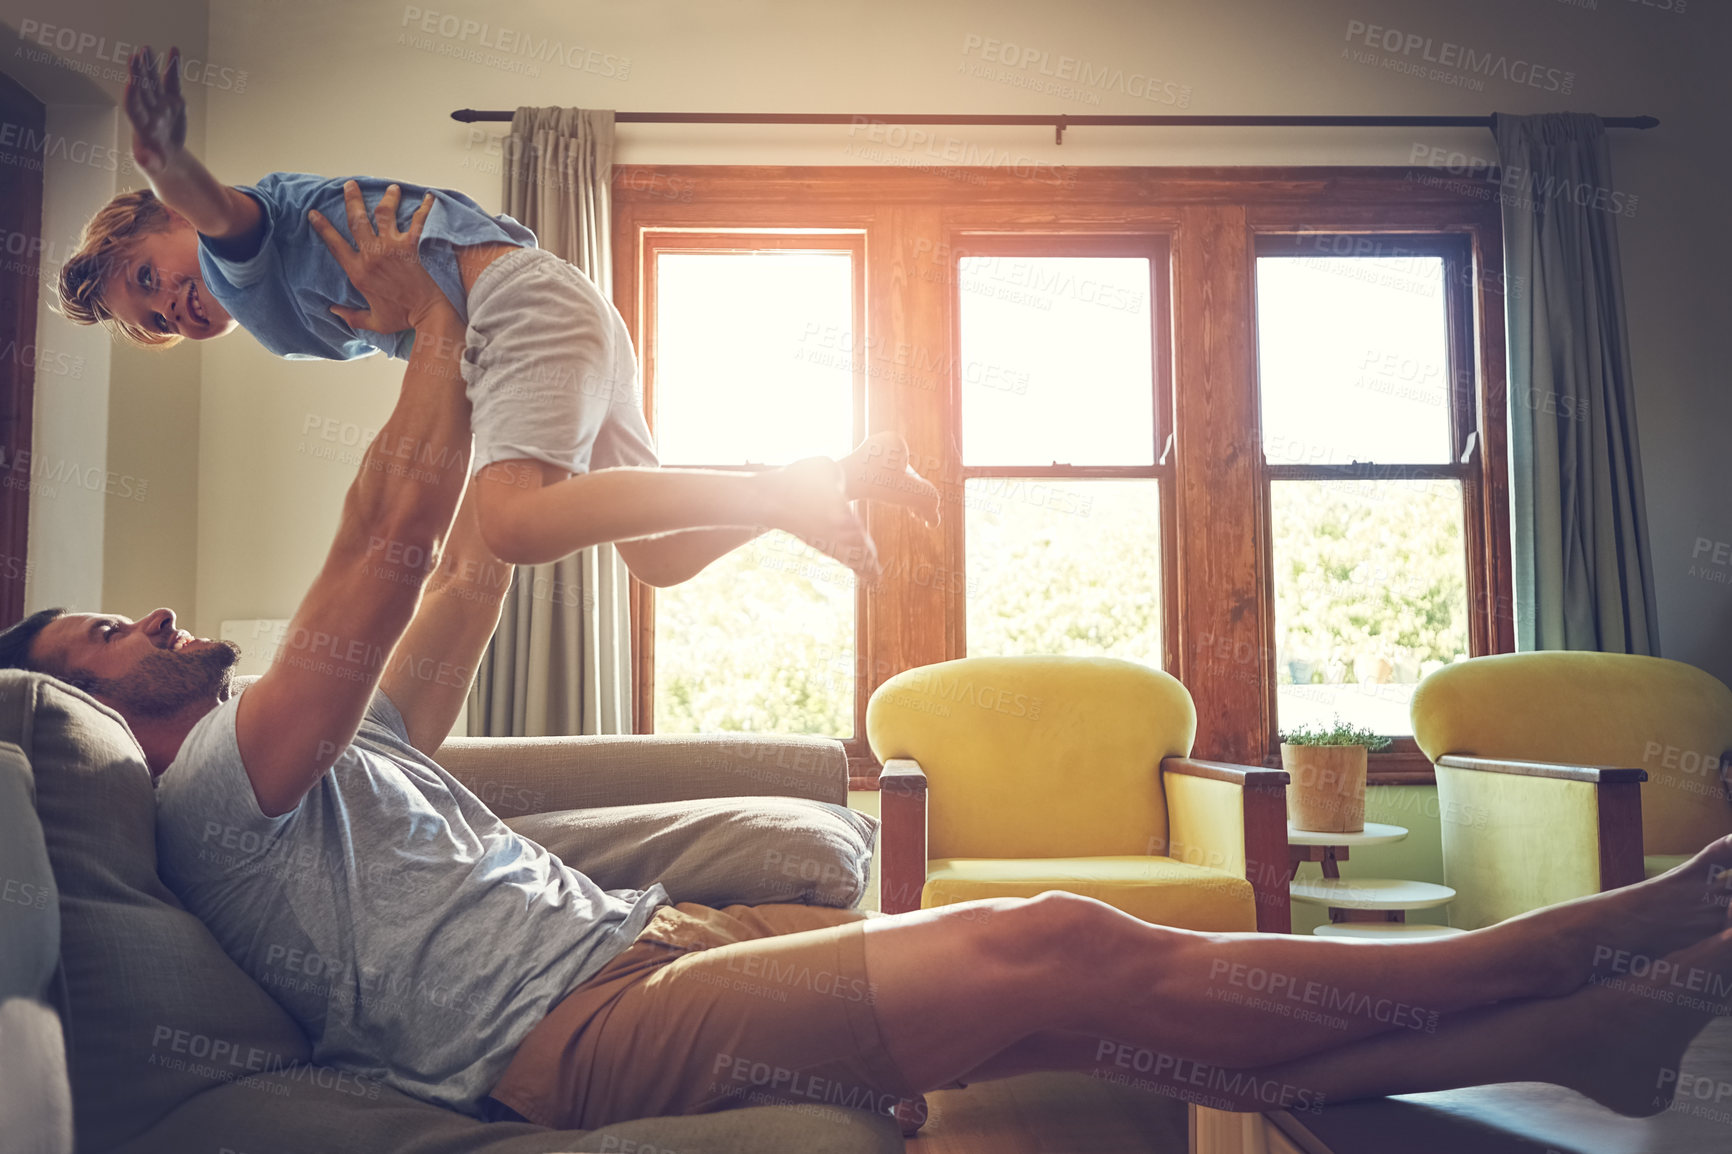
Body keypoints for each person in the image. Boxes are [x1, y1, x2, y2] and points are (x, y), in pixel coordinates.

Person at [10, 182, 1731, 1135]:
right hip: (572, 1027)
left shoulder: (331, 747)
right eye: (110, 627)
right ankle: (1569, 951)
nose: (154, 618)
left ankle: (1583, 1033)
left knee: (1101, 1015)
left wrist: (763, 502)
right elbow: (392, 538)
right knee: (1055, 939)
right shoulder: (222, 791)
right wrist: (437, 305)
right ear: (84, 699)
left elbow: (474, 553)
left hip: (645, 940)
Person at [54, 45, 939, 586]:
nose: (175, 304)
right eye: (160, 320)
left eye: (150, 276)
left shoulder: (231, 250)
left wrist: (167, 158)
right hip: (565, 311)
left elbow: (214, 209)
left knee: (510, 525)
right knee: (657, 560)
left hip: (519, 309)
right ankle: (839, 478)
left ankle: (787, 488)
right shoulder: (265, 298)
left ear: (165, 220)